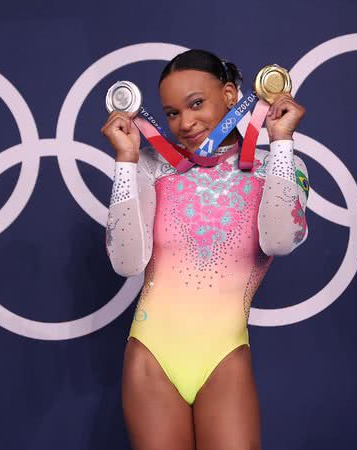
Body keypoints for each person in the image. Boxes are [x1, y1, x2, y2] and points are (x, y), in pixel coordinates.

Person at [101, 49, 309, 450]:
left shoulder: (276, 168)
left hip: (224, 354)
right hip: (152, 355)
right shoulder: (151, 165)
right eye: (172, 113)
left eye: (196, 103)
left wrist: (281, 142)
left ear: (231, 94)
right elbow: (126, 262)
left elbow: (280, 240)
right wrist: (126, 161)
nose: (186, 122)